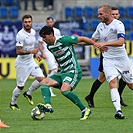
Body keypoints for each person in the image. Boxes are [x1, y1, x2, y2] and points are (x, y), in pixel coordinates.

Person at [36, 26, 97, 120]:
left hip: (74, 71)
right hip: (63, 72)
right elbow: (58, 57)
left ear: (51, 34)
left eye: (44, 37)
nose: (43, 39)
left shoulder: (64, 40)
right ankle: (48, 106)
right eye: (42, 37)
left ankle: (85, 110)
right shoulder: (49, 46)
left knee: (64, 90)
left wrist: (96, 45)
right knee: (43, 83)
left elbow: (82, 39)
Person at [89, 4, 133, 119]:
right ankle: (118, 111)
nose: (98, 16)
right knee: (112, 83)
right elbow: (92, 40)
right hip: (108, 59)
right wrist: (74, 41)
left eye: (100, 14)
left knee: (131, 85)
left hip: (121, 59)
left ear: (108, 14)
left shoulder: (118, 24)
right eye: (98, 14)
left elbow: (121, 42)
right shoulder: (100, 26)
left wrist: (104, 43)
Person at [9, 14, 44, 110]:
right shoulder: (20, 35)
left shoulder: (33, 32)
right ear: (23, 23)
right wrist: (31, 52)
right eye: (26, 22)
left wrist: (35, 54)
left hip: (31, 62)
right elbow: (18, 51)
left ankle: (28, 93)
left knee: (42, 79)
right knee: (20, 86)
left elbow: (31, 47)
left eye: (29, 22)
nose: (28, 24)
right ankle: (13, 103)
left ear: (32, 22)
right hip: (22, 64)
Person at [38, 17, 61, 96]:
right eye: (48, 22)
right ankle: (47, 85)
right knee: (54, 69)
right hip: (47, 52)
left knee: (53, 70)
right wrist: (42, 53)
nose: (49, 23)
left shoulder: (57, 31)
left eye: (50, 22)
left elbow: (59, 41)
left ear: (53, 23)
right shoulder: (44, 31)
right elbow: (40, 43)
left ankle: (48, 87)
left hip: (55, 52)